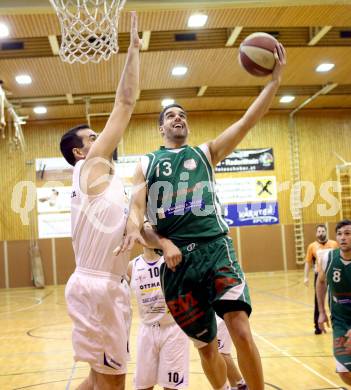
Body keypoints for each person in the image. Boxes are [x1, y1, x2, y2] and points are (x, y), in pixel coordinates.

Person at [117, 41, 286, 390]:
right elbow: (137, 211)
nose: (178, 118)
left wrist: (273, 84)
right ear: (161, 128)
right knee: (207, 348)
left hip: (215, 250)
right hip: (178, 265)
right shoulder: (147, 163)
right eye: (170, 116)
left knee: (239, 327)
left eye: (183, 115)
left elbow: (246, 122)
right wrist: (152, 238)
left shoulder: (205, 153)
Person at [59, 12, 142, 390]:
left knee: (98, 377)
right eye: (92, 137)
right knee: (113, 381)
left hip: (106, 285)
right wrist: (134, 52)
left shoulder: (110, 182)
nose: (100, 139)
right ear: (80, 153)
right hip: (99, 289)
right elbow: (125, 104)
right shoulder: (91, 167)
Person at [127, 222, 189, 390]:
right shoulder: (132, 267)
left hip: (173, 328)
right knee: (143, 386)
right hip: (147, 330)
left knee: (172, 387)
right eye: (144, 229)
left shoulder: (171, 259)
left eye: (151, 229)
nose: (147, 233)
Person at [316, 219, 351, 386]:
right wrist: (322, 312)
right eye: (339, 234)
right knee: (344, 371)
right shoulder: (327, 257)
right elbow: (321, 282)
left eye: (347, 234)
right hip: (341, 321)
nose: (343, 237)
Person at [303, 224, 338, 334]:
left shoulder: (334, 244)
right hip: (319, 276)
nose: (321, 233)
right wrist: (306, 277)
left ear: (326, 232)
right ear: (316, 233)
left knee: (335, 299)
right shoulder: (312, 246)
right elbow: (308, 262)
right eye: (319, 231)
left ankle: (336, 323)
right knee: (318, 300)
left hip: (333, 275)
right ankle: (317, 325)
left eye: (323, 231)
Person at [216, 316, 247, 390]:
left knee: (221, 353)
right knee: (223, 353)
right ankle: (234, 386)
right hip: (218, 316)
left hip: (221, 316)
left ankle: (241, 385)